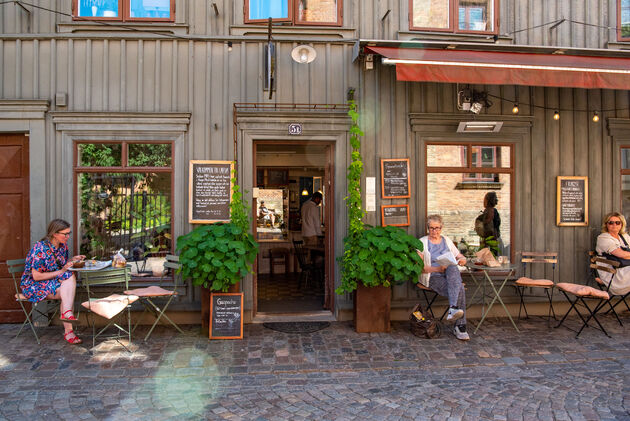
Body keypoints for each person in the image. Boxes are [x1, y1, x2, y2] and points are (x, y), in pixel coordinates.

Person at [20, 219, 85, 345]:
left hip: (51, 282)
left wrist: (72, 259)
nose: (67, 237)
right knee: (67, 289)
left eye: (69, 233)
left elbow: (60, 266)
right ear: (55, 234)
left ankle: (67, 315)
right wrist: (62, 271)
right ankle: (69, 330)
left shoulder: (62, 247)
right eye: (64, 234)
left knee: (68, 283)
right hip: (33, 285)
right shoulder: (40, 248)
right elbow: (37, 276)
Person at [418, 214, 470, 341]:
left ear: (441, 228)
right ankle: (460, 326)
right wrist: (438, 269)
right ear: (427, 228)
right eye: (431, 228)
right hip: (432, 276)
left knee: (452, 268)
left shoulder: (447, 240)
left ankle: (453, 308)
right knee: (460, 289)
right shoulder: (422, 242)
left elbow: (459, 256)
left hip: (449, 275)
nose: (434, 231)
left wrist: (463, 260)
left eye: (437, 228)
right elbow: (419, 268)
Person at [595, 212, 630, 296]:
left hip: (625, 268)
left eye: (617, 222)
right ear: (606, 224)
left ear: (622, 224)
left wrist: (626, 256)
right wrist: (626, 255)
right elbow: (620, 254)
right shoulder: (603, 238)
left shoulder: (624, 236)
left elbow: (624, 255)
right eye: (611, 222)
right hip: (613, 274)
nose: (614, 225)